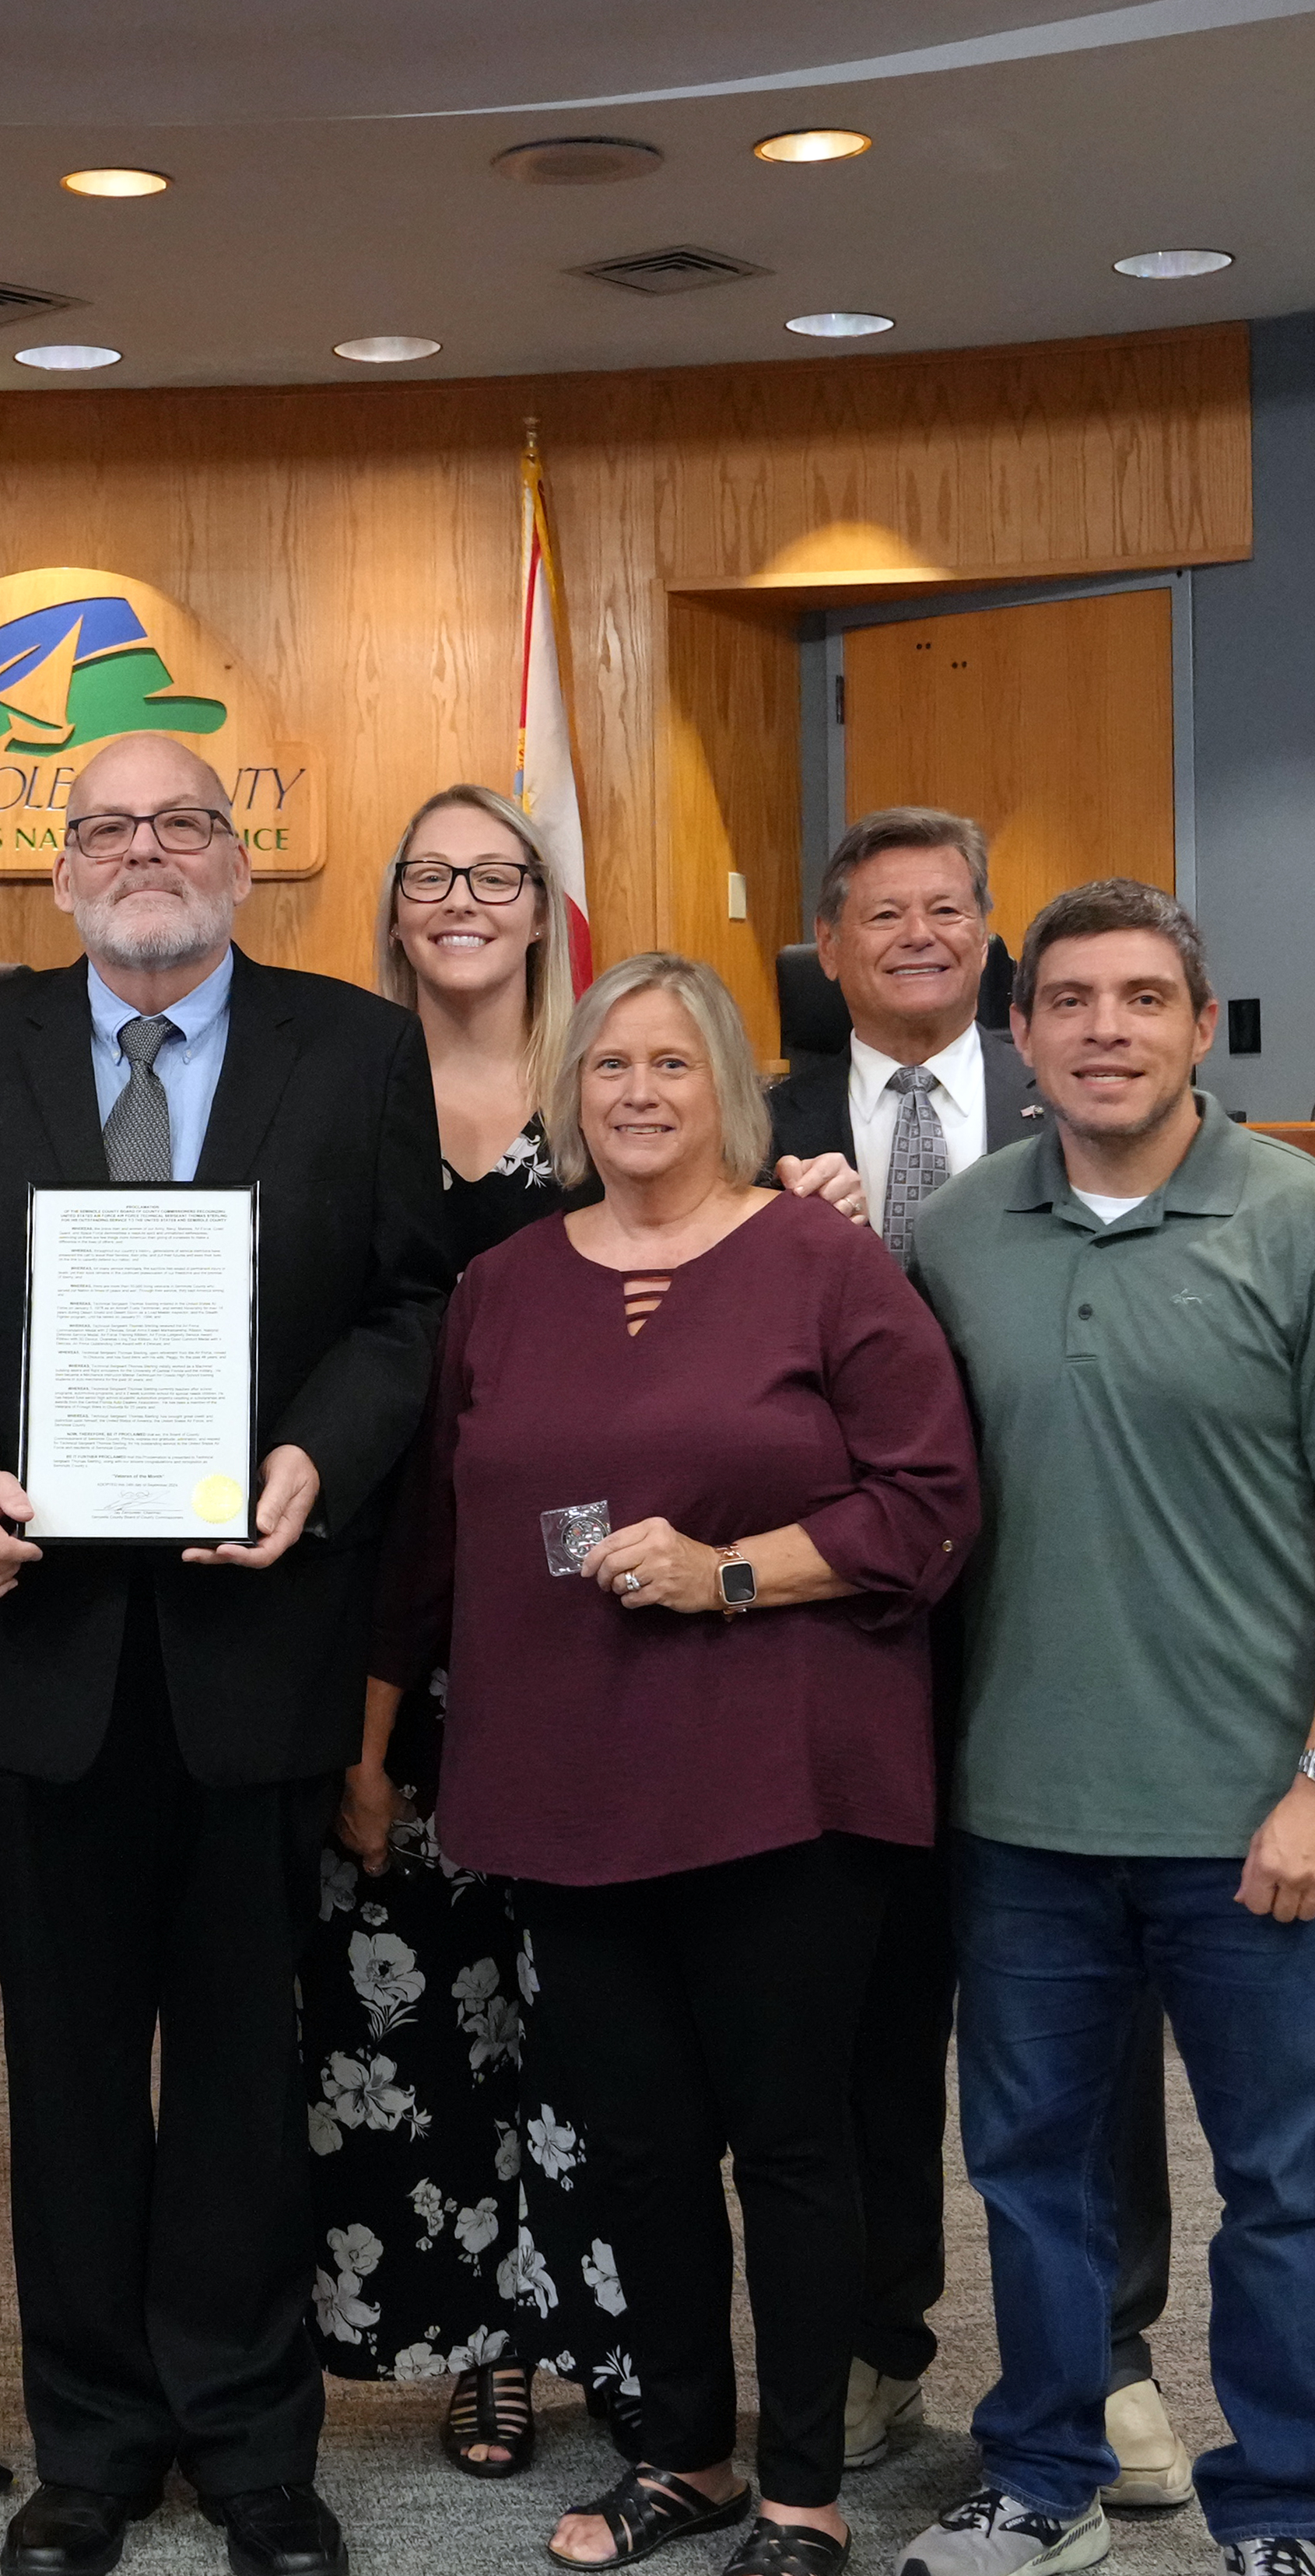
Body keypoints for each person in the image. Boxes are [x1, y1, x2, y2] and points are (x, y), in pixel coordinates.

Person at [0, 731, 456, 2576]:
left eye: (185, 822)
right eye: (108, 828)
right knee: (72, 2074)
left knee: (250, 2084)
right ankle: (93, 2447)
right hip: (36, 1661)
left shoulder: (353, 1045)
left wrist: (317, 1461)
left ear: (239, 862)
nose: (147, 853)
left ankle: (259, 2449)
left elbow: (409, 1304)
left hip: (259, 1647)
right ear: (59, 872)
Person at [896, 877, 1315, 2576]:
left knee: (1280, 2184)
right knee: (1031, 2171)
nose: (1107, 1029)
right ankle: (1045, 2475)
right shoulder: (962, 1233)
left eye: (1144, 998)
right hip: (1020, 1816)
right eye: (1069, 1001)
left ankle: (1279, 2515)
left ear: (1200, 1028)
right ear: (1020, 1032)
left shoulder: (1311, 1225)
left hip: (1254, 1824)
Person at [371, 954, 977, 2576]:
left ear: (730, 1088)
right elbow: (433, 1543)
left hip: (785, 1778)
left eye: (672, 1065)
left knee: (790, 2140)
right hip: (566, 1779)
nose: (638, 1094)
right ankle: (683, 2453)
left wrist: (734, 1575)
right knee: (631, 2145)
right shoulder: (502, 1283)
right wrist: (368, 1752)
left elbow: (929, 1504)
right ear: (572, 1094)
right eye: (610, 1068)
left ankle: (801, 2493)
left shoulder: (823, 1262)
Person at [315, 788, 880, 2480]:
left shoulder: (648, 1089)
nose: (463, 900)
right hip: (406, 1581)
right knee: (424, 2015)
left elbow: (875, 1452)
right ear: (393, 909)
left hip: (655, 1649)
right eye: (431, 876)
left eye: (499, 873)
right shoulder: (330, 1082)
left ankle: (620, 2347)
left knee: (607, 2033)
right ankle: (482, 2341)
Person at [773, 804, 1184, 2506]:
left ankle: (1115, 2352)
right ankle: (878, 2340)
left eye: (952, 911)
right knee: (867, 2020)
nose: (923, 937)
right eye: (886, 915)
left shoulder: (1087, 1096)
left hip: (1050, 1627)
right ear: (831, 944)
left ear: (993, 938)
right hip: (837, 1642)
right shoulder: (757, 1119)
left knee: (1083, 2020)